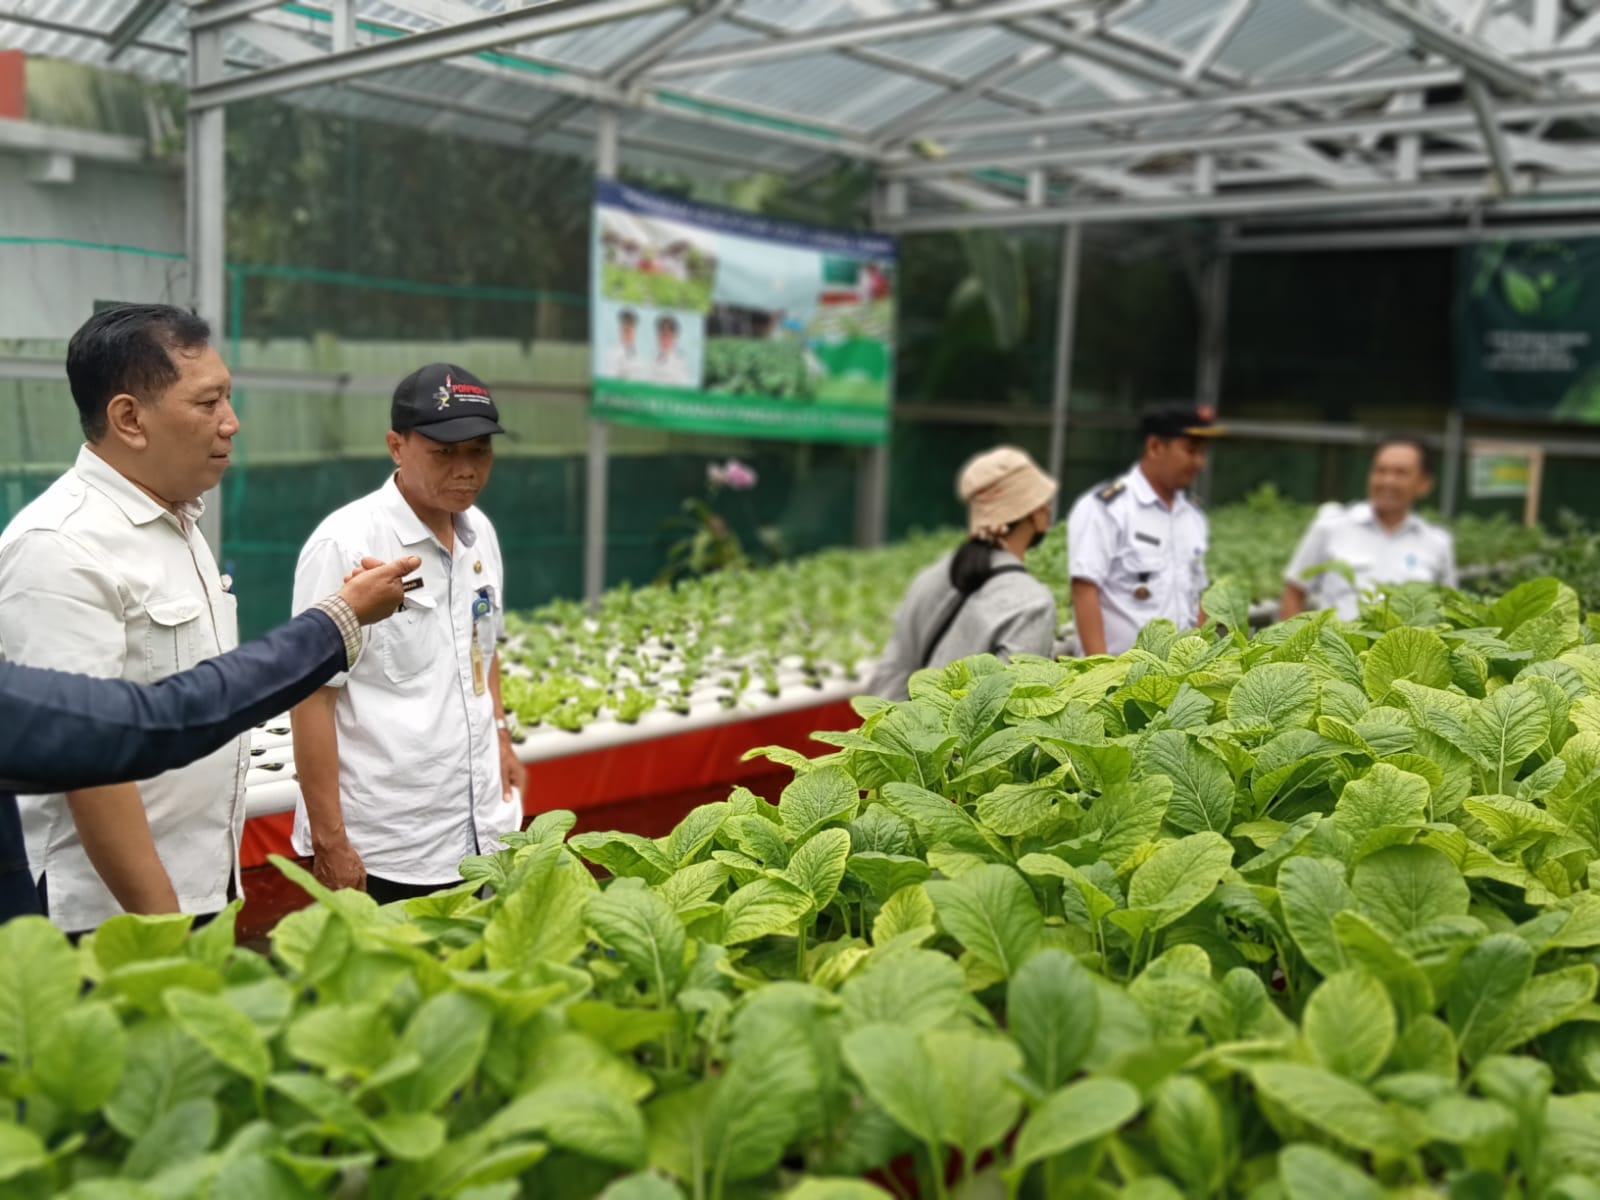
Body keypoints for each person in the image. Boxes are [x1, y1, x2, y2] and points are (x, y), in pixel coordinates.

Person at [0, 303, 252, 932]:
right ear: (129, 419)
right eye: (209, 403)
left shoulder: (176, 517)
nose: (232, 423)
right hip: (111, 922)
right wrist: (163, 933)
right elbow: (87, 764)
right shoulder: (60, 547)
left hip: (198, 883)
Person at [0, 556, 422, 924]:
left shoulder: (182, 523)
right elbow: (149, 723)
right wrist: (334, 622)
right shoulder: (55, 545)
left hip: (203, 889)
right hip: (100, 921)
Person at [290, 363, 522, 904]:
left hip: (482, 826)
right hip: (388, 847)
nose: (466, 470)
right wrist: (331, 842)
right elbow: (311, 698)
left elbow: (483, 647)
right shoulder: (346, 546)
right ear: (397, 446)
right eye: (445, 453)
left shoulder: (478, 530)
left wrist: (502, 738)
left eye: (480, 451)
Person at [867, 447, 1059, 702]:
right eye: (1044, 501)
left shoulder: (932, 576)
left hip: (907, 735)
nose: (1048, 509)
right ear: (1037, 513)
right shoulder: (1032, 604)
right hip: (963, 742)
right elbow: (1012, 712)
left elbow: (893, 672)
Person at [1067, 405, 1223, 658]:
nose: (1200, 463)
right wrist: (1102, 671)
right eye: (1191, 451)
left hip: (1179, 677)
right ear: (1155, 447)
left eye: (1203, 453)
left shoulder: (1193, 514)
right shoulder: (1109, 507)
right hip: (1120, 676)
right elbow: (1084, 589)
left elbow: (1200, 595)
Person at [1279, 437, 1456, 621]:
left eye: (1401, 473)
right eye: (1381, 470)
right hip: (1337, 648)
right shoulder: (1332, 526)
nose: (1388, 481)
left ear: (1424, 484)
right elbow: (1294, 592)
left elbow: (1449, 609)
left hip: (1408, 650)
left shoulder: (1437, 542)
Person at [651, 315, 692, 386]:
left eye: (668, 336)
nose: (665, 339)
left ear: (675, 338)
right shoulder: (653, 358)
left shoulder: (680, 362)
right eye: (662, 335)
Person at [606, 309, 643, 380]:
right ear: (621, 332)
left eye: (631, 331)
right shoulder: (614, 354)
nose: (628, 334)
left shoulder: (638, 355)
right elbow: (611, 379)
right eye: (625, 331)